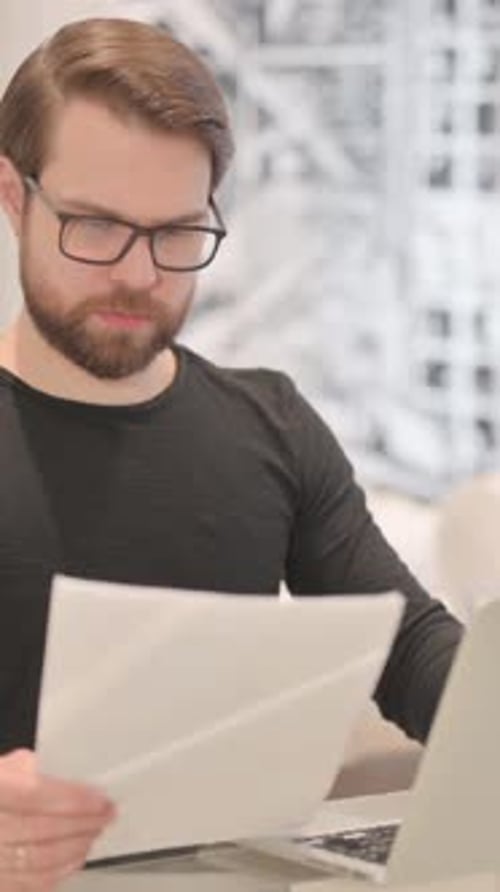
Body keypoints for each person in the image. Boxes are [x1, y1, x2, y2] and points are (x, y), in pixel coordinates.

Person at [0, 17, 462, 890]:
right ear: (15, 198)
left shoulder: (271, 423)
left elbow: (411, 650)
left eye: (178, 232)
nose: (140, 274)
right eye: (95, 227)